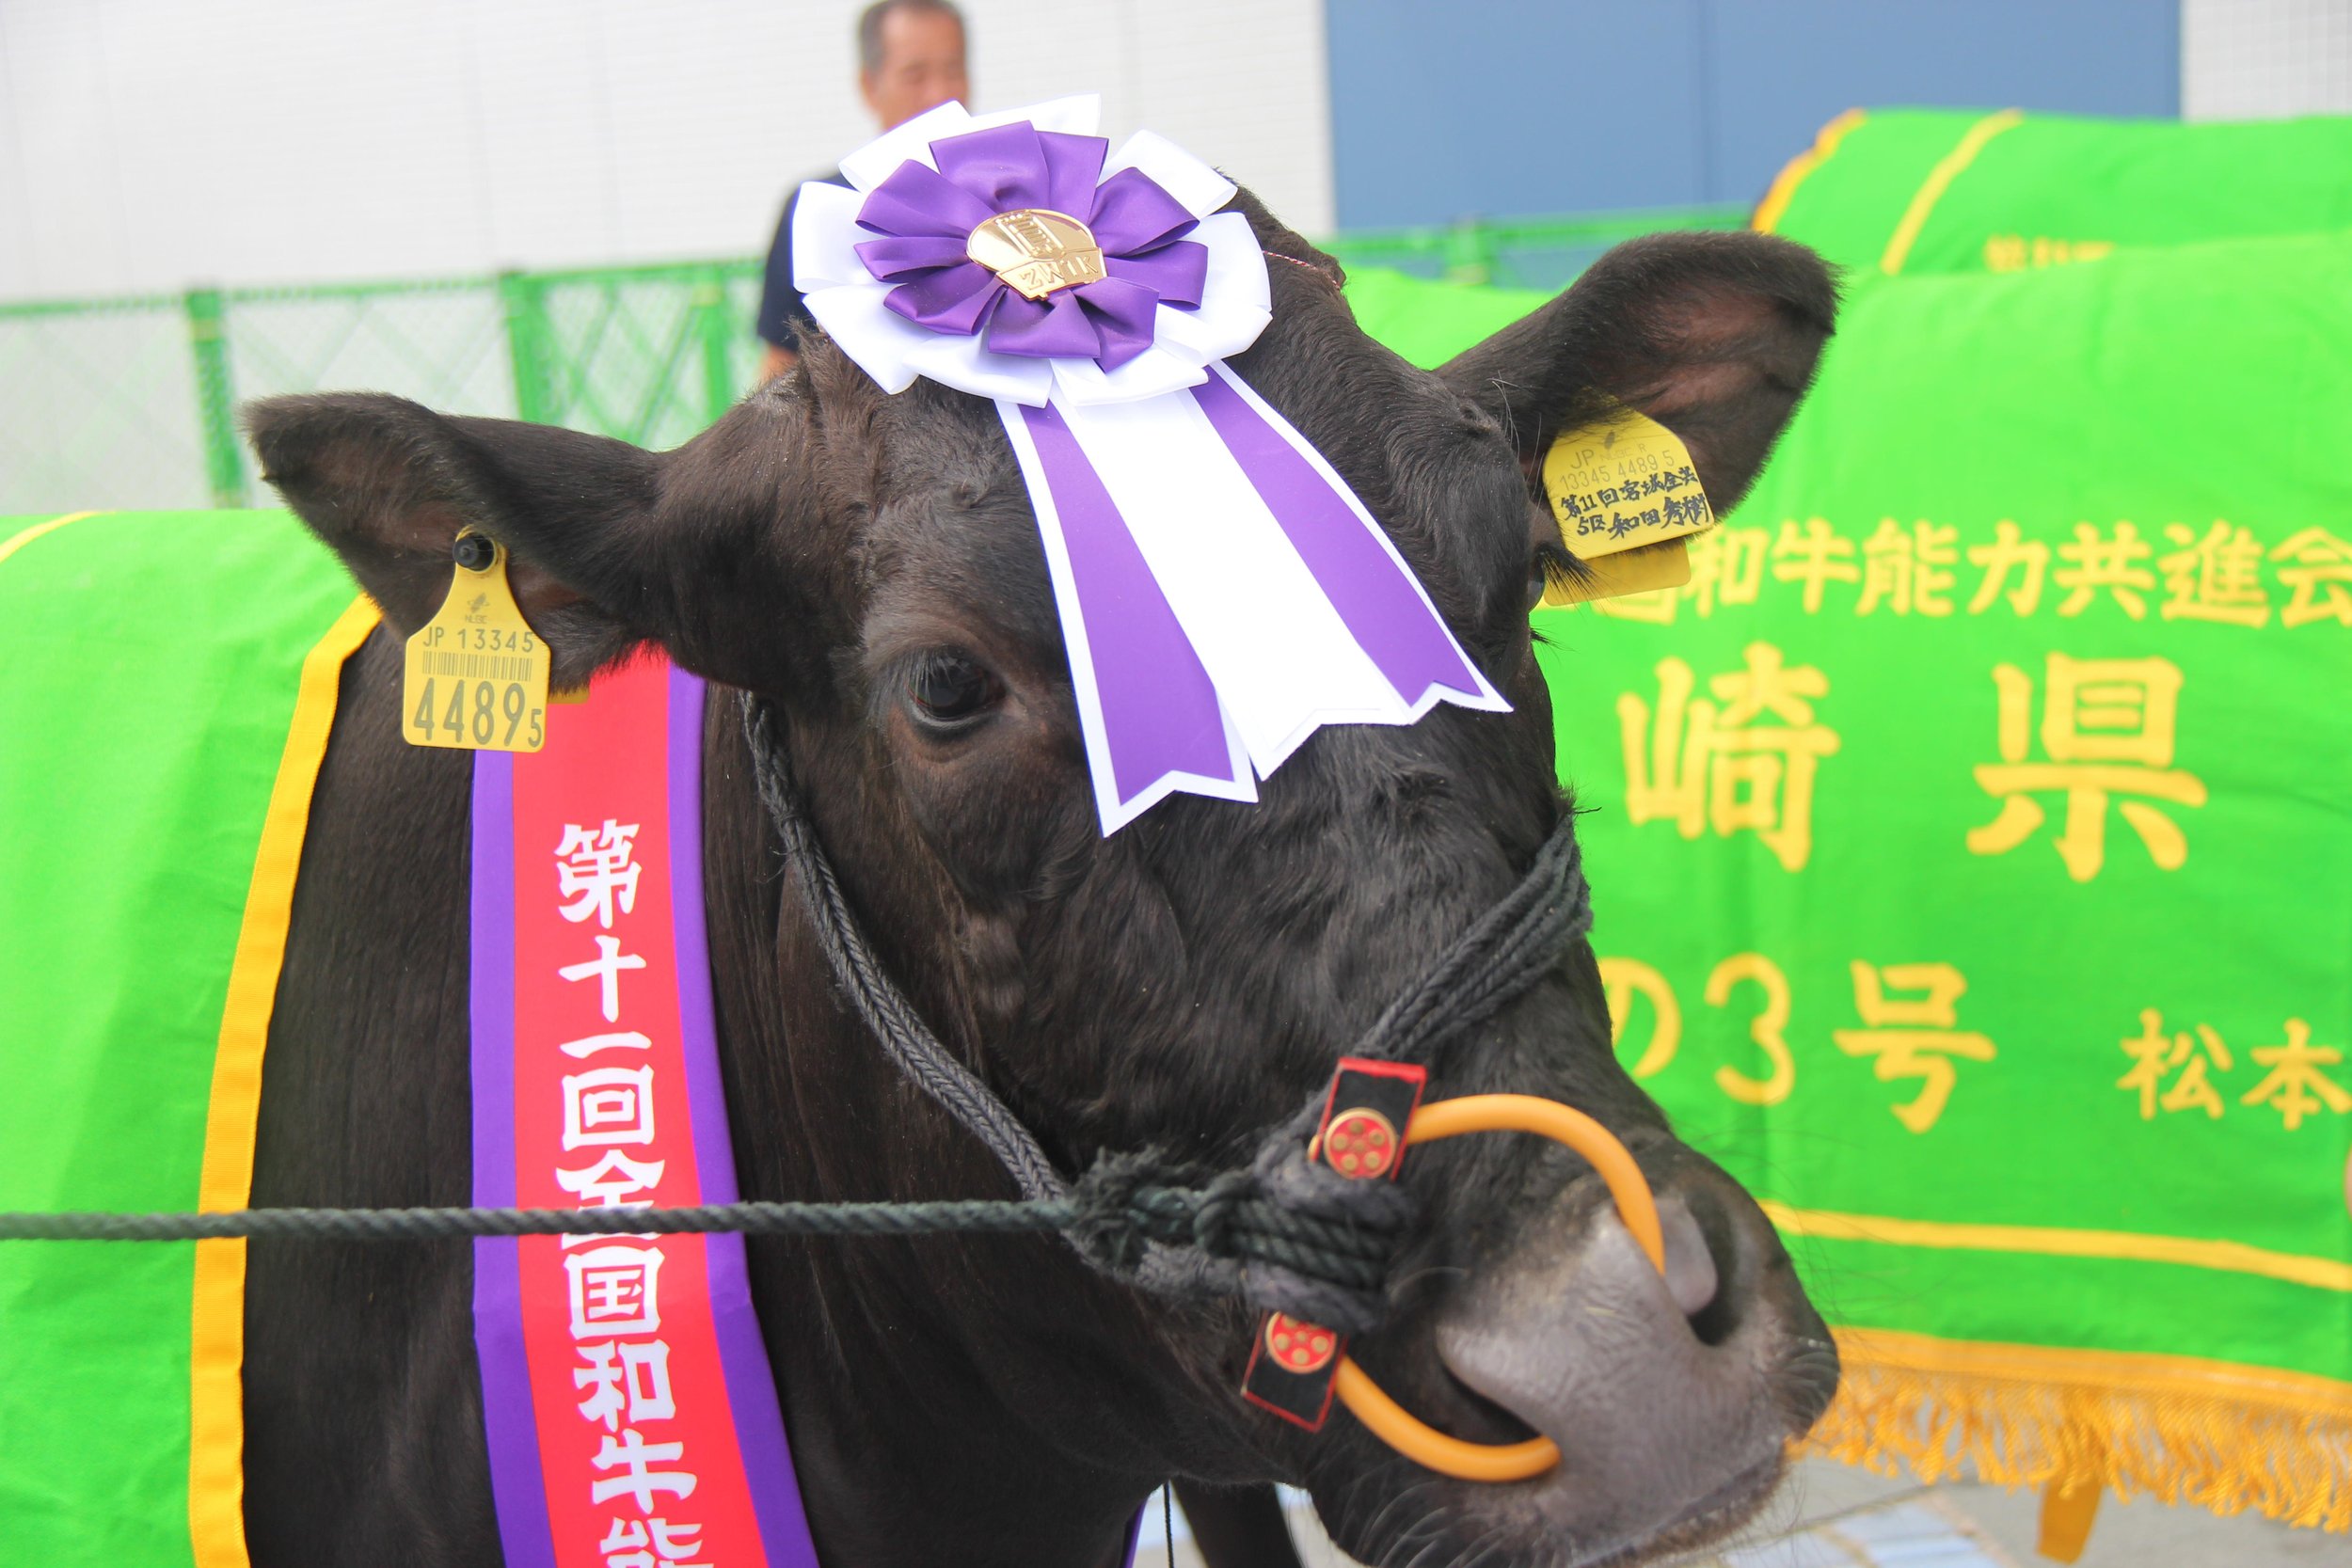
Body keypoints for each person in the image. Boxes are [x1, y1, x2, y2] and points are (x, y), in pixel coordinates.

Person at [755, 0, 970, 383]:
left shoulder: (1009, 198)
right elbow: (780, 364)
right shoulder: (820, 208)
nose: (940, 92)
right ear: (870, 86)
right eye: (915, 75)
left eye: (954, 70)